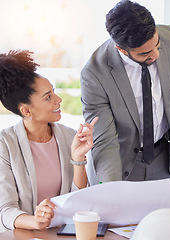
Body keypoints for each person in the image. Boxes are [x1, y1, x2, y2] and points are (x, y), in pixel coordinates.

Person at [80, 0, 170, 183]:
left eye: (157, 45)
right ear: (121, 49)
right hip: (119, 164)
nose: (156, 55)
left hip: (161, 158)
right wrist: (111, 188)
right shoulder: (94, 74)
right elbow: (105, 140)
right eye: (145, 54)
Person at [0, 50, 98, 231]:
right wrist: (34, 221)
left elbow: (79, 201)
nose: (58, 99)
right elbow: (5, 211)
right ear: (26, 111)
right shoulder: (5, 144)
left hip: (63, 233)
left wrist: (78, 159)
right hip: (26, 235)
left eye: (54, 92)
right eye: (48, 97)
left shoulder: (69, 137)